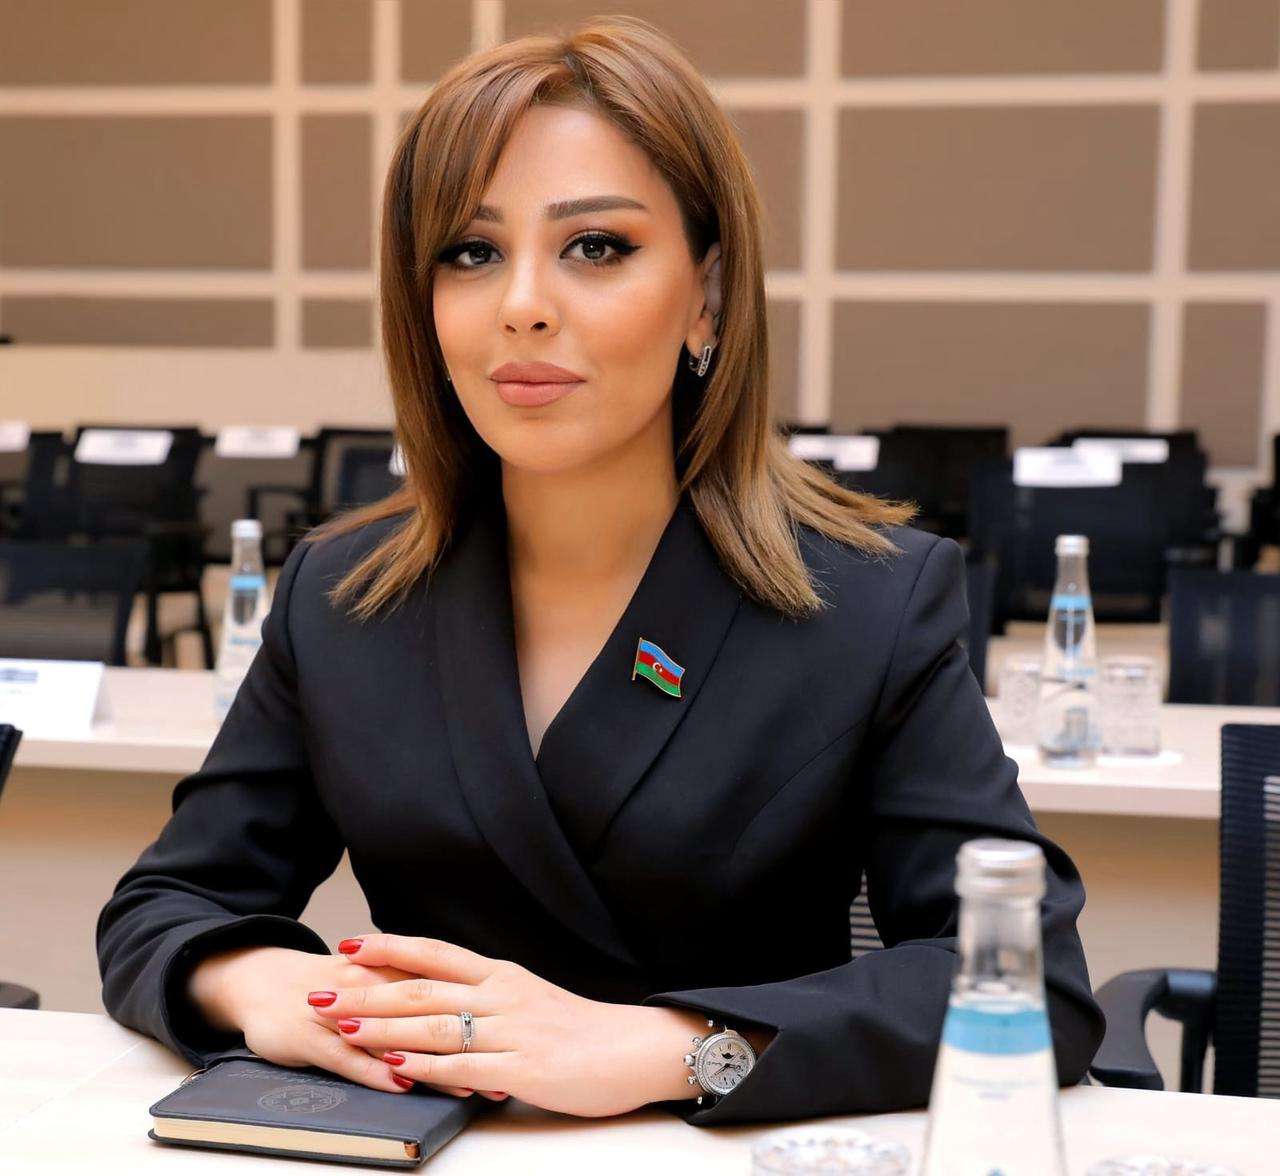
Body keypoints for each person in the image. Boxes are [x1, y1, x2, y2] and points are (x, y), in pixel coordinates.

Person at [96, 16, 1104, 1126]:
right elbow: (167, 904)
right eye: (470, 253)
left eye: (596, 247)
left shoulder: (870, 600)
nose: (522, 303)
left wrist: (675, 1047)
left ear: (706, 296)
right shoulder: (343, 595)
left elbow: (1030, 983)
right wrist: (266, 987)